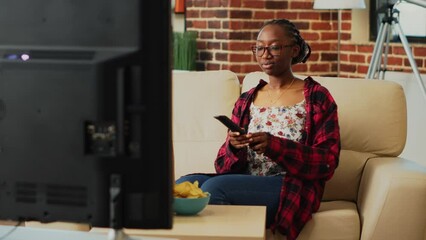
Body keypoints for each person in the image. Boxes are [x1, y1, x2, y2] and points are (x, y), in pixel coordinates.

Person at [176, 19, 340, 240]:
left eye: (274, 47)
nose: (265, 54)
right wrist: (234, 146)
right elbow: (223, 166)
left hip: (289, 185)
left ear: (294, 50)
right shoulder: (246, 100)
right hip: (245, 178)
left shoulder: (317, 96)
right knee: (181, 186)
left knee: (217, 187)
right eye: (259, 47)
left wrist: (274, 146)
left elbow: (326, 162)